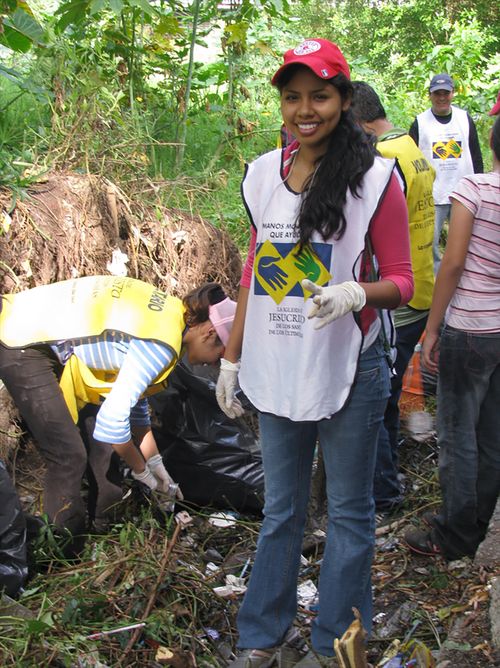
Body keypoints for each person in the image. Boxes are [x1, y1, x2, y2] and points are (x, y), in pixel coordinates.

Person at [216, 39, 413, 666]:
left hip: (350, 366)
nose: (306, 109)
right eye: (293, 96)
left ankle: (335, 645)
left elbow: (406, 279)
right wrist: (231, 356)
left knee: (351, 515)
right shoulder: (260, 175)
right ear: (281, 103)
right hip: (277, 365)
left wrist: (355, 292)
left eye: (320, 95)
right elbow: (255, 271)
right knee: (282, 510)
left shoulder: (377, 177)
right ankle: (261, 637)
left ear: (344, 101)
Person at [0, 275, 235, 542]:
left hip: (44, 336)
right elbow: (111, 424)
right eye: (221, 357)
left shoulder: (172, 317)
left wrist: (158, 467)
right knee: (68, 456)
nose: (214, 366)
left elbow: (134, 406)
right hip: (22, 338)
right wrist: (143, 473)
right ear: (210, 333)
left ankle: (100, 530)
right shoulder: (163, 345)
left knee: (101, 451)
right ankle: (62, 548)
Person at [404, 115, 500, 561]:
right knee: (492, 437)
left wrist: (432, 327)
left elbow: (454, 262)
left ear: (492, 145)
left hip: (470, 330)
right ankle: (477, 527)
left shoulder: (475, 189)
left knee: (458, 436)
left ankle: (453, 537)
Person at [350, 81, 435, 513]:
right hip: (423, 285)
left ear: (358, 121)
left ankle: (383, 491)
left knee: (378, 401)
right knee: (391, 390)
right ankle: (391, 474)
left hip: (395, 299)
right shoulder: (413, 149)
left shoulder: (382, 160)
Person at [409, 73, 483, 273]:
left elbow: (475, 153)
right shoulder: (420, 122)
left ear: (453, 94)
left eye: (446, 93)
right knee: (429, 244)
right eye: (437, 93)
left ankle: (465, 278)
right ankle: (436, 282)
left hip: (464, 191)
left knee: (466, 241)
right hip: (433, 194)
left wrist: (480, 186)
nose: (442, 97)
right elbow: (410, 158)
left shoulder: (464, 118)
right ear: (430, 95)